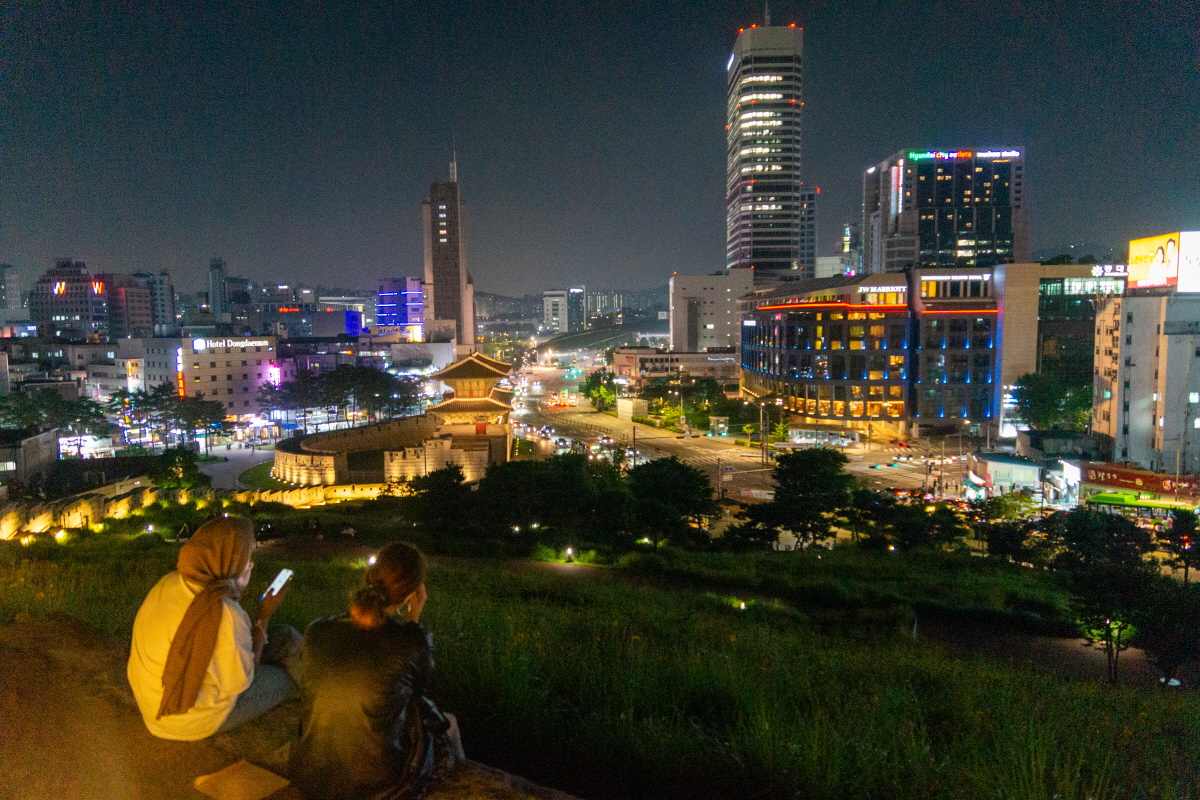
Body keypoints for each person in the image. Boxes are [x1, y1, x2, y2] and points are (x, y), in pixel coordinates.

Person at [290, 542, 463, 800]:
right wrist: (414, 621)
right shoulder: (409, 643)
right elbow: (414, 696)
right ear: (413, 593)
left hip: (309, 775)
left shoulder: (316, 630)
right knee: (450, 725)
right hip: (378, 787)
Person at [127, 516, 300, 741]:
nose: (250, 564)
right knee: (286, 679)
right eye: (245, 558)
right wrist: (265, 612)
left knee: (284, 635)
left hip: (153, 706)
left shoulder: (169, 582)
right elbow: (242, 683)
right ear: (228, 560)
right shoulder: (223, 612)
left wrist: (236, 586)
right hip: (187, 718)